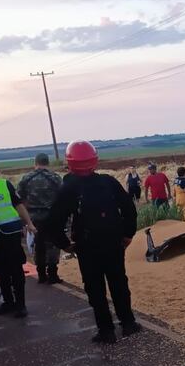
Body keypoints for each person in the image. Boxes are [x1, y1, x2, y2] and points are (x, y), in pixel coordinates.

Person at [45, 140, 141, 345]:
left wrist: (65, 244)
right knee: (118, 283)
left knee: (95, 288)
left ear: (70, 162)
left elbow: (53, 222)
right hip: (114, 242)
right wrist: (127, 234)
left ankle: (106, 331)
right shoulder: (108, 182)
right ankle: (128, 323)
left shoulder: (68, 188)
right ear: (94, 160)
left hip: (86, 246)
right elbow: (129, 209)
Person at [0, 158, 36, 317]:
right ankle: (8, 302)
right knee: (0, 271)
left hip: (11, 235)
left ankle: (21, 305)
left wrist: (29, 223)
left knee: (16, 270)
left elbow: (19, 205)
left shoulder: (4, 185)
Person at [17, 152, 64, 284]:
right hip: (52, 217)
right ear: (47, 163)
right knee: (53, 245)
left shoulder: (26, 178)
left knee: (38, 245)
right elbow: (63, 197)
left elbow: (18, 199)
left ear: (35, 163)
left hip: (33, 218)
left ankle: (41, 274)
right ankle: (53, 274)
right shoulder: (55, 178)